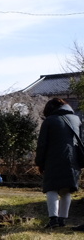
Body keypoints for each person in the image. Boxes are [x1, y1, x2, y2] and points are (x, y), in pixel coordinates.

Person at [35, 97, 83, 228]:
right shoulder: (77, 119)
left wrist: (39, 162)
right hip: (73, 160)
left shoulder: (49, 121)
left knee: (52, 188)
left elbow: (42, 145)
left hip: (53, 159)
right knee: (66, 190)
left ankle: (53, 219)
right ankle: (62, 220)